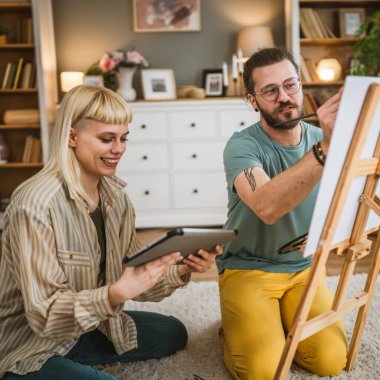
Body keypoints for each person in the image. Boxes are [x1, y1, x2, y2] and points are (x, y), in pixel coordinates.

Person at [0, 85, 222, 379]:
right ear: (71, 136)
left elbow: (132, 274)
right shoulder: (35, 205)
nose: (118, 149)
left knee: (173, 332)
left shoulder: (116, 201)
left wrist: (181, 270)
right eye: (106, 139)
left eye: (123, 138)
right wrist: (114, 294)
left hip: (88, 324)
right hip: (31, 342)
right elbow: (44, 317)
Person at [216, 48, 347, 380]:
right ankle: (229, 331)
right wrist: (327, 149)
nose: (284, 97)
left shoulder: (322, 137)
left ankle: (277, 321)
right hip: (249, 267)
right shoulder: (242, 146)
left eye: (290, 85)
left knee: (330, 360)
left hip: (303, 268)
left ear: (301, 85)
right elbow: (266, 207)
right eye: (270, 91)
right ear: (252, 100)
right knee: (263, 372)